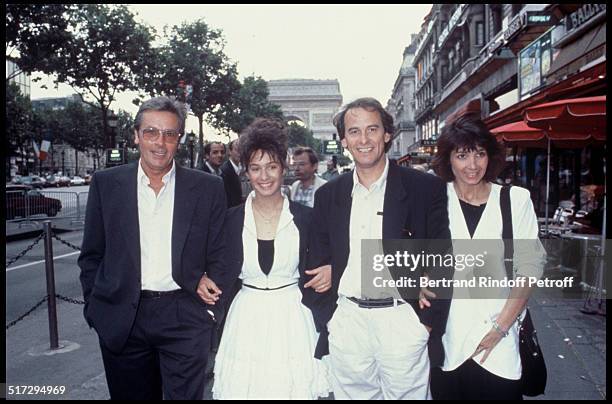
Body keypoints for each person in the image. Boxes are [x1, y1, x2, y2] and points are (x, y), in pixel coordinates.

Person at [78, 96, 228, 400]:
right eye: (151, 132)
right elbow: (92, 255)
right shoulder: (107, 184)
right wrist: (97, 310)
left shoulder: (207, 187)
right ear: (135, 136)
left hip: (184, 315)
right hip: (123, 317)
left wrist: (210, 313)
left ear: (180, 140)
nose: (160, 143)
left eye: (170, 134)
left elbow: (221, 253)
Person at [303, 97, 452, 399]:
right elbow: (316, 262)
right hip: (348, 322)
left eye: (372, 129)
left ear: (387, 134)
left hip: (401, 321)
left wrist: (423, 324)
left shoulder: (424, 188)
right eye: (354, 131)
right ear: (343, 140)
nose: (364, 139)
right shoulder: (329, 195)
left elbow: (442, 258)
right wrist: (331, 319)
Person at [212, 118, 331, 399]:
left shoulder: (307, 219)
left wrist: (331, 268)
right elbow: (210, 262)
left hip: (293, 319)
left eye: (271, 167)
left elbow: (332, 256)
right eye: (255, 168)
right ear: (246, 172)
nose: (264, 176)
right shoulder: (229, 221)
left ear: (284, 168)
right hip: (245, 320)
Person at [428, 114, 545, 400]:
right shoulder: (434, 199)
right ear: (448, 159)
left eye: (479, 154)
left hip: (499, 338)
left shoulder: (514, 200)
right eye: (462, 155)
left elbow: (528, 268)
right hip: (448, 337)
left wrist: (500, 328)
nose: (472, 165)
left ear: (490, 156)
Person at [220, 137, 244, 208]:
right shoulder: (224, 172)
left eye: (242, 150)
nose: (240, 153)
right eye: (237, 150)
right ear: (229, 152)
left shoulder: (243, 169)